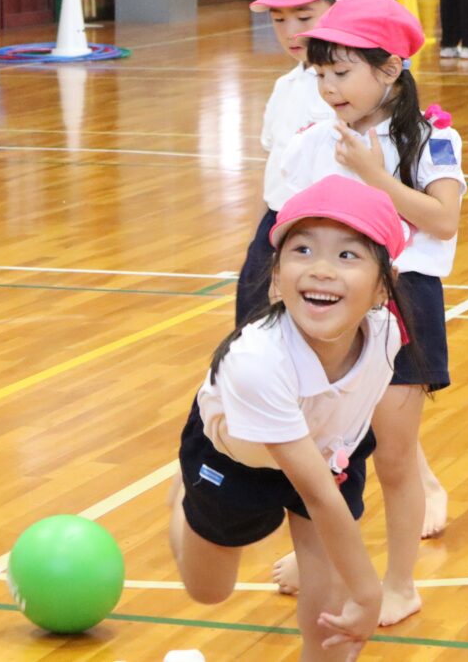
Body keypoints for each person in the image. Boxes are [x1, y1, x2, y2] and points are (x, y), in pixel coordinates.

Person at [272, 0, 466, 626]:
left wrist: (375, 174)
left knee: (395, 457)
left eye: (341, 71)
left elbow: (442, 218)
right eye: (320, 74)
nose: (328, 87)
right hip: (334, 308)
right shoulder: (316, 141)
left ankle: (400, 583)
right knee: (325, 447)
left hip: (405, 302)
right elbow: (290, 223)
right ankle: (322, 558)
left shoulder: (433, 137)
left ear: (390, 69)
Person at [169, 175, 414, 661]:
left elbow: (327, 486)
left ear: (383, 287)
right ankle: (183, 491)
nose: (321, 269)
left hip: (326, 452)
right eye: (303, 250)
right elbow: (319, 497)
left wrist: (355, 593)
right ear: (277, 278)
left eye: (347, 255)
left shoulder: (387, 332)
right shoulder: (257, 362)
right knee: (208, 590)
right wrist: (370, 592)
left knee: (331, 614)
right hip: (239, 458)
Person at [237, 0, 357, 326]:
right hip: (277, 225)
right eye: (278, 19)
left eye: (304, 16)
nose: (291, 32)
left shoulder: (357, 89)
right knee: (251, 330)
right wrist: (262, 244)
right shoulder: (285, 87)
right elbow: (273, 171)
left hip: (328, 231)